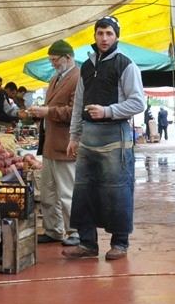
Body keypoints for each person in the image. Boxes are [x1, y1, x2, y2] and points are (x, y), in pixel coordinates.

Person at [64, 16, 146, 261]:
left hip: (115, 136)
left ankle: (120, 244)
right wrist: (74, 136)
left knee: (117, 190)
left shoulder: (126, 65)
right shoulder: (86, 67)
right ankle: (88, 244)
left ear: (117, 36)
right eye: (100, 33)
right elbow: (79, 102)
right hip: (88, 136)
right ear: (95, 36)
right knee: (83, 190)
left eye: (109, 33)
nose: (104, 38)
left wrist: (108, 111)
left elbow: (138, 102)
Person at [29, 41, 80, 246]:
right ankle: (53, 230)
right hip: (49, 144)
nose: (53, 64)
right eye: (50, 60)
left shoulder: (78, 78)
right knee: (48, 192)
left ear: (67, 57)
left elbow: (75, 112)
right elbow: (53, 107)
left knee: (68, 191)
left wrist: (48, 112)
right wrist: (39, 112)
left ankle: (75, 231)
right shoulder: (54, 80)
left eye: (55, 60)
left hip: (66, 144)